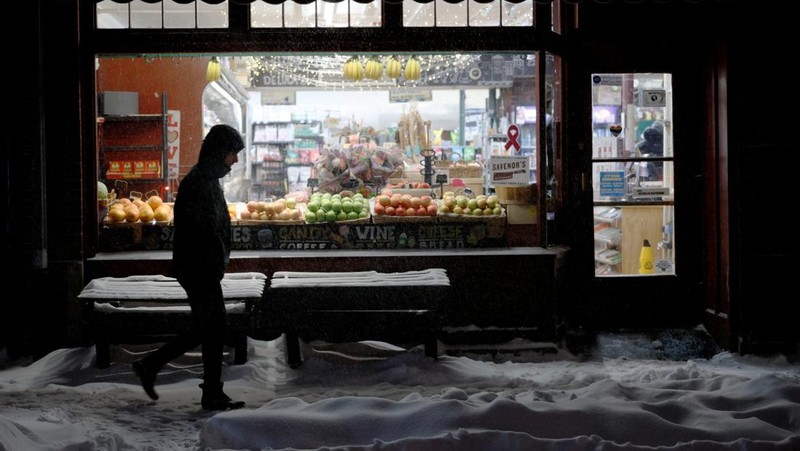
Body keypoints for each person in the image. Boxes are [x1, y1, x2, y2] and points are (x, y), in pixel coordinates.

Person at [132, 124, 245, 411]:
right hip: (198, 268)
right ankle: (211, 393)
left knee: (206, 327)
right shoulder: (199, 182)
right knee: (214, 327)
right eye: (233, 153)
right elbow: (203, 230)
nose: (235, 160)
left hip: (200, 267)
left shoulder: (206, 179)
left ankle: (152, 366)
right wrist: (215, 259)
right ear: (220, 152)